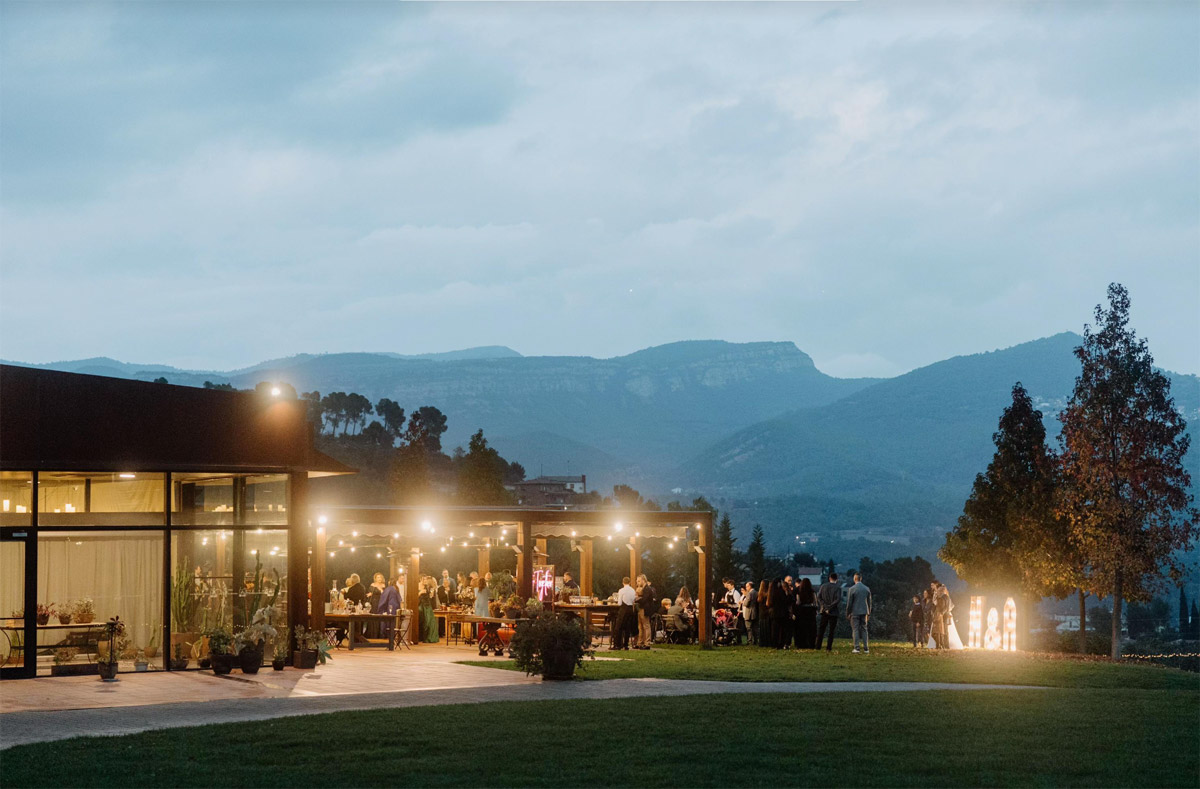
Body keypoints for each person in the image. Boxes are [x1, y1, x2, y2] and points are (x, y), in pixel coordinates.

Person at [845, 572, 872, 654]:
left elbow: (849, 603)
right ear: (861, 578)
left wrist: (848, 613)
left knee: (855, 629)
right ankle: (866, 648)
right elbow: (869, 602)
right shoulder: (866, 588)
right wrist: (869, 613)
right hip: (864, 611)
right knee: (864, 629)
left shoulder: (852, 589)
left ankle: (857, 648)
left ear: (854, 579)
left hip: (855, 612)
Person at [815, 572, 842, 652]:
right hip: (833, 611)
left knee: (821, 629)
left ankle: (818, 646)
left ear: (829, 578)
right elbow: (837, 600)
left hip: (824, 611)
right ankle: (828, 647)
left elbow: (819, 597)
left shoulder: (823, 586)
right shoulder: (838, 588)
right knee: (831, 631)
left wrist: (825, 606)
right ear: (836, 579)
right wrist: (830, 607)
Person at [611, 577, 637, 650]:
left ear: (623, 582)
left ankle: (617, 645)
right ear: (630, 582)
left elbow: (619, 603)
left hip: (623, 609)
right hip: (630, 609)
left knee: (618, 627)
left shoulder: (621, 590)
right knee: (627, 628)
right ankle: (626, 645)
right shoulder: (633, 590)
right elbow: (633, 600)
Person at [379, 574, 404, 646]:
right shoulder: (396, 588)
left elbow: (383, 600)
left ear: (389, 582)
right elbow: (400, 600)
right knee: (394, 624)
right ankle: (393, 637)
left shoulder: (389, 589)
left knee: (388, 624)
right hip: (396, 608)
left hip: (390, 608)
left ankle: (388, 638)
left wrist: (380, 609)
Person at [795, 578, 818, 649]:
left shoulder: (799, 591)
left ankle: (802, 644)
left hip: (802, 611)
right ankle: (811, 644)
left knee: (802, 628)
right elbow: (815, 602)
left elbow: (798, 602)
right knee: (811, 629)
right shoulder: (812, 591)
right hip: (810, 611)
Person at [635, 574, 656, 650]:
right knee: (640, 626)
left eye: (639, 581)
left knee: (646, 626)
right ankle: (639, 643)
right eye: (637, 581)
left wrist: (636, 599)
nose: (637, 582)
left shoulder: (647, 589)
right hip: (641, 608)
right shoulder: (643, 588)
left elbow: (645, 599)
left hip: (645, 609)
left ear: (643, 580)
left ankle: (647, 643)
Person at [768, 579, 790, 649]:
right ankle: (780, 643)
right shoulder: (781, 592)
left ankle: (774, 643)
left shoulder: (771, 592)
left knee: (774, 629)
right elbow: (786, 601)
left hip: (774, 613)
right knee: (781, 629)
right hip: (781, 613)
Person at [418, 579, 439, 643]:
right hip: (421, 606)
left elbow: (431, 597)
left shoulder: (429, 588)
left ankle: (430, 638)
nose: (425, 581)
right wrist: (420, 592)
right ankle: (422, 637)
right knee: (424, 622)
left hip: (428, 607)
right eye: (423, 579)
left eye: (426, 580)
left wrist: (431, 593)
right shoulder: (418, 586)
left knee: (430, 622)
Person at [740, 581, 758, 646]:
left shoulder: (749, 594)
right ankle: (756, 640)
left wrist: (743, 602)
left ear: (750, 586)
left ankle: (750, 641)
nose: (746, 588)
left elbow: (746, 603)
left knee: (749, 628)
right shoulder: (756, 593)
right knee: (755, 628)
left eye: (747, 586)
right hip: (755, 612)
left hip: (749, 612)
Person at [756, 580, 772, 647]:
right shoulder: (768, 595)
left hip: (761, 613)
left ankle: (762, 642)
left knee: (762, 628)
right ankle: (768, 642)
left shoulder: (759, 595)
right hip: (767, 613)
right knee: (767, 628)